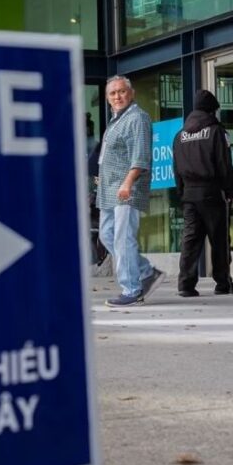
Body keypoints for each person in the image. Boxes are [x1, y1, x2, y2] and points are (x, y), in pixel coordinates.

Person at [96, 75, 165, 306]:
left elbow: (140, 157)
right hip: (109, 190)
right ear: (107, 98)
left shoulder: (137, 118)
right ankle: (146, 272)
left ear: (131, 93)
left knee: (123, 238)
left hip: (126, 188)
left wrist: (127, 183)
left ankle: (132, 289)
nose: (117, 96)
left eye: (121, 91)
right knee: (107, 235)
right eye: (113, 93)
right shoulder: (117, 120)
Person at [172, 89, 233, 296]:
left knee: (190, 241)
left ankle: (185, 285)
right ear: (212, 110)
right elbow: (224, 164)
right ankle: (223, 283)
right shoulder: (215, 131)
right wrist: (230, 190)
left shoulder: (180, 136)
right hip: (212, 192)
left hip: (189, 195)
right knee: (219, 239)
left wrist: (182, 193)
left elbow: (175, 168)